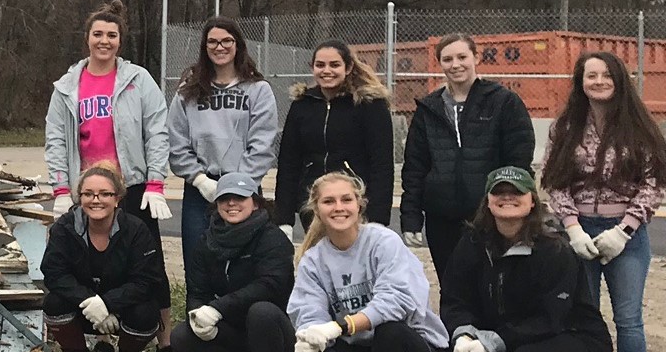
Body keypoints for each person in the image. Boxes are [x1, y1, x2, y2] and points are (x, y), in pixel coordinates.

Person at [289, 172, 450, 352]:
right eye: (329, 201)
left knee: (390, 332)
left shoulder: (383, 242)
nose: (339, 207)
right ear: (317, 209)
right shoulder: (314, 259)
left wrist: (341, 326)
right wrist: (309, 334)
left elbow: (398, 302)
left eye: (346, 199)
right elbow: (307, 307)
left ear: (359, 204)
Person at [441, 167, 611, 352]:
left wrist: (491, 343)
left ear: (532, 201)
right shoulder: (473, 242)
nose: (507, 198)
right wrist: (465, 336)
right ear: (488, 202)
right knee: (446, 344)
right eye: (499, 192)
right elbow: (455, 298)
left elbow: (551, 318)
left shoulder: (554, 249)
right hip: (509, 335)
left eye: (516, 192)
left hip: (575, 339)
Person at [44, 0, 172, 352]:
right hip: (90, 189)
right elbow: (55, 137)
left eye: (111, 35)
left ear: (120, 40)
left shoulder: (137, 80)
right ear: (87, 38)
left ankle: (165, 341)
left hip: (131, 185)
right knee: (93, 261)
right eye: (98, 34)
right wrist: (60, 187)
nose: (104, 41)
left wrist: (156, 182)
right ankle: (101, 335)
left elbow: (157, 130)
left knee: (151, 263)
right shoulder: (68, 85)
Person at [543, 51, 662, 352]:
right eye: (590, 75)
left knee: (628, 319)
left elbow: (653, 183)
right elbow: (554, 179)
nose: (598, 82)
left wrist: (624, 230)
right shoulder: (565, 127)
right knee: (582, 313)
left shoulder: (640, 127)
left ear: (619, 79)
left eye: (605, 75)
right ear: (580, 82)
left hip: (625, 236)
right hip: (579, 234)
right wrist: (573, 227)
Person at [400, 33, 534, 271]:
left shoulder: (503, 102)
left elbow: (518, 159)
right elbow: (415, 167)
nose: (455, 65)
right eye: (447, 59)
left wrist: (509, 205)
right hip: (441, 219)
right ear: (440, 63)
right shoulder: (428, 109)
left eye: (462, 57)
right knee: (451, 286)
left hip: (490, 215)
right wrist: (411, 218)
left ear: (476, 57)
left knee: (493, 283)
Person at [169, 174, 295, 352]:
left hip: (273, 331)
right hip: (230, 328)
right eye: (225, 198)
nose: (231, 204)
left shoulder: (273, 238)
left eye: (240, 197)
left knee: (262, 311)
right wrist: (197, 316)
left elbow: (271, 285)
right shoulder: (208, 242)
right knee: (182, 337)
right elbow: (197, 290)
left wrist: (217, 308)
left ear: (255, 202)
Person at [168, 18, 278, 280]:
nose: (220, 47)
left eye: (226, 40)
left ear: (238, 45)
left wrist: (240, 184)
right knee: (198, 264)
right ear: (205, 47)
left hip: (244, 188)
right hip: (201, 191)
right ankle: (199, 317)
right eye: (213, 42)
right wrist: (199, 179)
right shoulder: (188, 91)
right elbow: (177, 142)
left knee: (246, 265)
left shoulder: (258, 90)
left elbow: (263, 142)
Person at [40, 164, 169, 352]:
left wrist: (109, 303)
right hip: (83, 309)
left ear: (117, 198)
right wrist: (89, 300)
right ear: (79, 198)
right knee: (53, 303)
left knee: (147, 312)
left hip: (124, 310)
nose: (96, 200)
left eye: (104, 194)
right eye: (88, 194)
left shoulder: (136, 230)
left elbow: (147, 280)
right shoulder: (64, 227)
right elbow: (53, 273)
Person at [275, 41, 394, 237]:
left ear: (348, 68)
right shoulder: (302, 105)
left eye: (334, 65)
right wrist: (284, 219)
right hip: (314, 203)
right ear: (312, 68)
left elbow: (381, 163)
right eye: (320, 65)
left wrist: (378, 219)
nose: (326, 71)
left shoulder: (370, 105)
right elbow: (289, 162)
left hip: (354, 203)